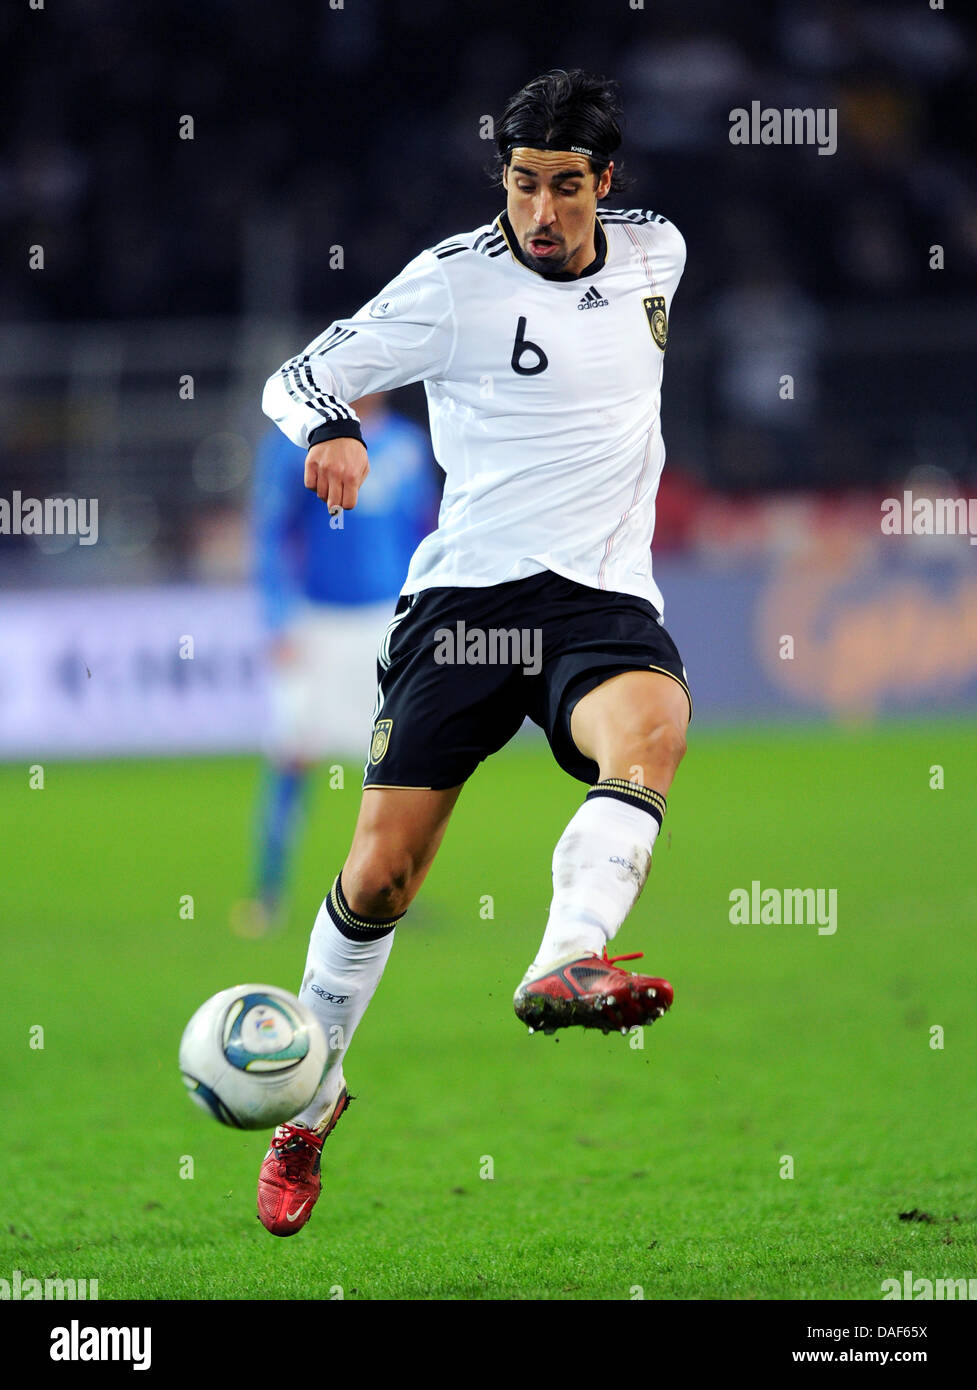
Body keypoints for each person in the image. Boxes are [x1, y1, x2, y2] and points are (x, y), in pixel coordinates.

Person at [256, 68, 691, 1237]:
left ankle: (565, 960)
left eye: (561, 186)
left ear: (605, 183)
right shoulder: (451, 284)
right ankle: (309, 1099)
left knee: (648, 733)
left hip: (598, 597)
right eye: (518, 183)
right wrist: (335, 428)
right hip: (463, 600)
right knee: (380, 876)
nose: (537, 213)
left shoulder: (658, 254)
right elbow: (292, 376)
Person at [234, 392, 438, 937]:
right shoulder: (297, 443)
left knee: (394, 760)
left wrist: (427, 611)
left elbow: (427, 533)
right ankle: (268, 894)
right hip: (316, 619)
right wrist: (278, 616)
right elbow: (271, 531)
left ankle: (388, 892)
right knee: (293, 754)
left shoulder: (410, 446)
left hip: (387, 618)